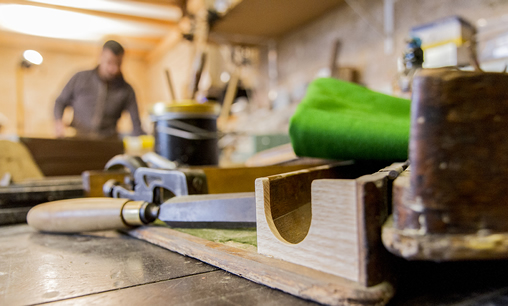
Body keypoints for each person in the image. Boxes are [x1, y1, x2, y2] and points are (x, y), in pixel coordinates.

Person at [54, 40, 144, 139]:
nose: (114, 68)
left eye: (118, 64)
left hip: (107, 144)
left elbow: (136, 125)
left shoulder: (127, 90)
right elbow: (60, 102)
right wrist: (59, 123)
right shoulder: (80, 78)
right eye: (109, 62)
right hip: (78, 139)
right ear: (101, 56)